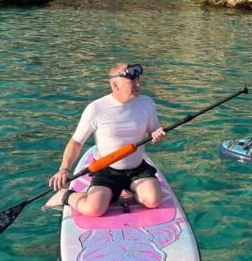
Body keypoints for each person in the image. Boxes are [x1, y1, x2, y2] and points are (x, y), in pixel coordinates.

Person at [43, 62, 167, 216]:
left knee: (153, 201)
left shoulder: (147, 103)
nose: (138, 84)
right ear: (115, 85)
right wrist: (64, 169)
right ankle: (65, 196)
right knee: (94, 210)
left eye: (138, 80)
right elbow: (76, 142)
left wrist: (157, 137)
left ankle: (124, 189)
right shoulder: (96, 109)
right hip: (107, 170)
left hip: (137, 168)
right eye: (132, 81)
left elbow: (154, 132)